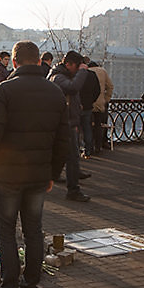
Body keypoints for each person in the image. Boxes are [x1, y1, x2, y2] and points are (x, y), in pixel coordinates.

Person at [0, 41, 69, 288]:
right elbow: (63, 141)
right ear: (38, 60)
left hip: (7, 175)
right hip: (38, 177)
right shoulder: (54, 92)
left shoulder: (5, 90)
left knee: (5, 232)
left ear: (15, 62)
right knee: (34, 233)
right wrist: (53, 173)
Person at [49, 51, 91, 202]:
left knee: (62, 156)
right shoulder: (58, 77)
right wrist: (82, 72)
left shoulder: (63, 76)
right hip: (64, 124)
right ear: (68, 64)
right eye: (76, 67)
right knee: (72, 158)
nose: (77, 70)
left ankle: (52, 180)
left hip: (68, 123)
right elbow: (73, 88)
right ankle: (73, 190)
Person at [88, 61, 114, 153]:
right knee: (98, 125)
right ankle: (98, 146)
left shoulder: (85, 72)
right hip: (100, 104)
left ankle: (88, 147)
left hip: (88, 103)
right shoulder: (103, 71)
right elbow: (110, 86)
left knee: (88, 126)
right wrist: (106, 99)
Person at [78, 57, 101, 158]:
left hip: (77, 106)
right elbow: (97, 90)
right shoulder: (92, 75)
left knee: (76, 129)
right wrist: (91, 101)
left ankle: (77, 150)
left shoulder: (76, 75)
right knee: (87, 128)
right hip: (88, 106)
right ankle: (88, 150)